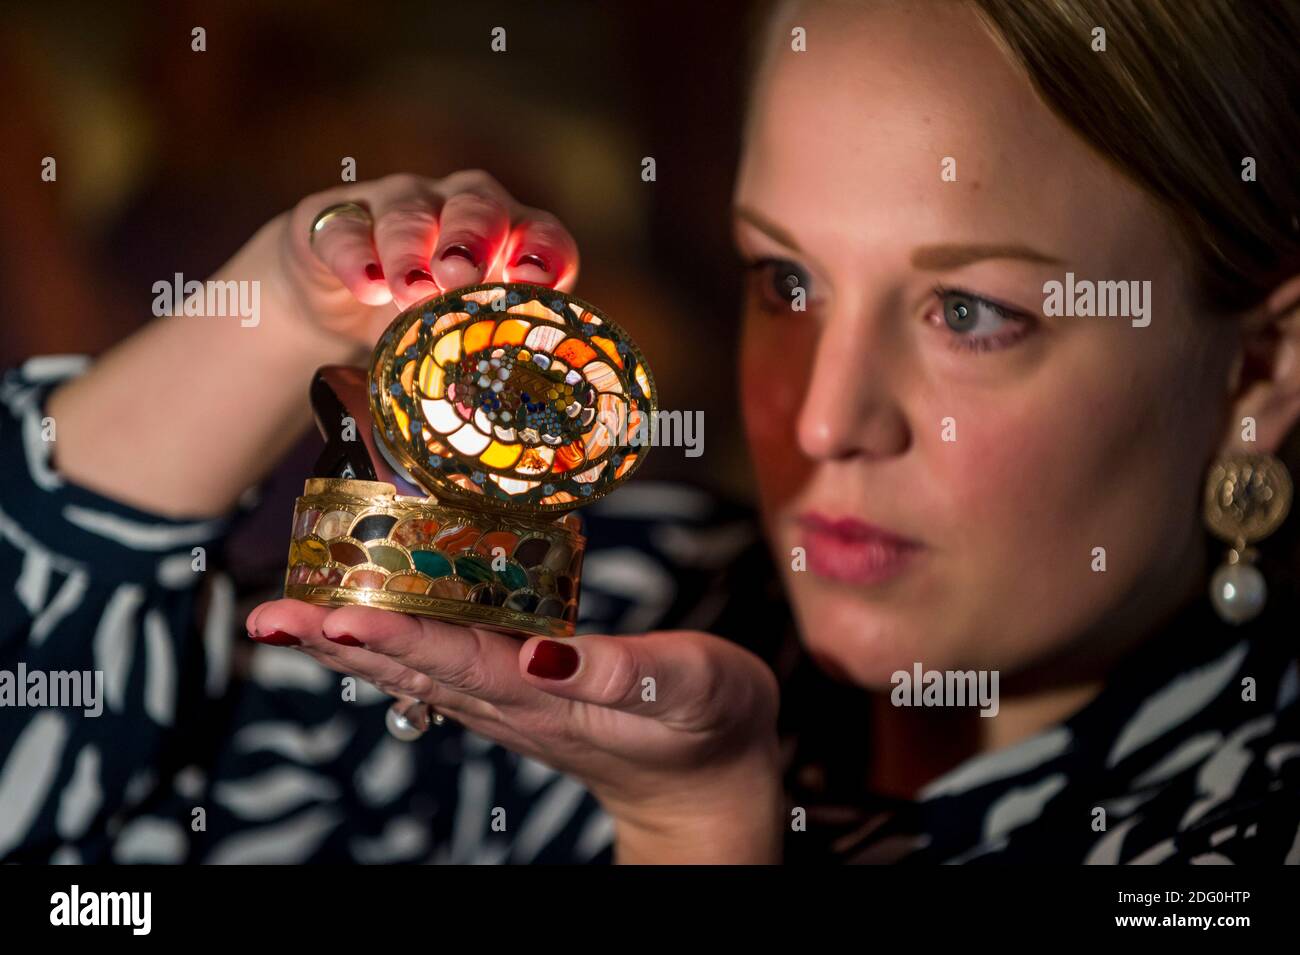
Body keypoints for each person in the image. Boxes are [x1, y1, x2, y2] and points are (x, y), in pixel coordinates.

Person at [4, 0, 1300, 864]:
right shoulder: (612, 586)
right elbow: (52, 808)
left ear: (1260, 365)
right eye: (786, 281)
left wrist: (693, 828)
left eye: (970, 312)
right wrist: (283, 304)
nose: (818, 415)